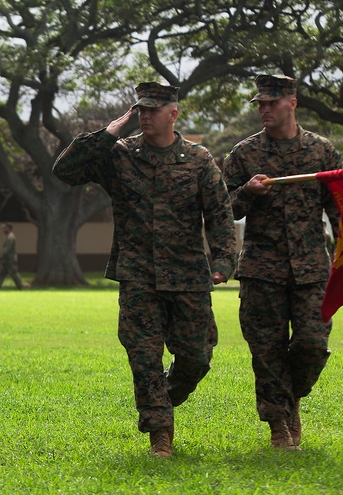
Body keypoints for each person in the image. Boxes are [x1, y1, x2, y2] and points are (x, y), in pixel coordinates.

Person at [53, 82, 235, 457]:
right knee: (143, 354)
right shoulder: (120, 155)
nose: (145, 115)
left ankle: (167, 396)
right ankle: (160, 433)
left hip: (187, 274)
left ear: (174, 113)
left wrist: (223, 261)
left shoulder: (199, 159)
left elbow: (219, 214)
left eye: (154, 109)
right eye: (141, 109)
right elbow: (65, 170)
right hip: (137, 274)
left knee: (197, 357)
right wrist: (106, 133)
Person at [222, 74, 343, 450]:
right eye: (260, 103)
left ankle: (289, 401)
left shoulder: (322, 151)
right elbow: (221, 209)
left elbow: (340, 208)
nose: (264, 109)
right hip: (262, 269)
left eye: (272, 103)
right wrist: (248, 192)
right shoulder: (244, 154)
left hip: (311, 269)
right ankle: (279, 424)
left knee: (312, 344)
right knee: (267, 349)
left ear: (292, 103)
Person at [0, 223, 25, 290]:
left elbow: (8, 248)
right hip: (6, 259)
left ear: (9, 228)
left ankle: (20, 286)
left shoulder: (10, 237)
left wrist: (1, 255)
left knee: (14, 273)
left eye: (5, 228)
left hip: (10, 259)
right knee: (2, 273)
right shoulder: (7, 236)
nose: (3, 229)